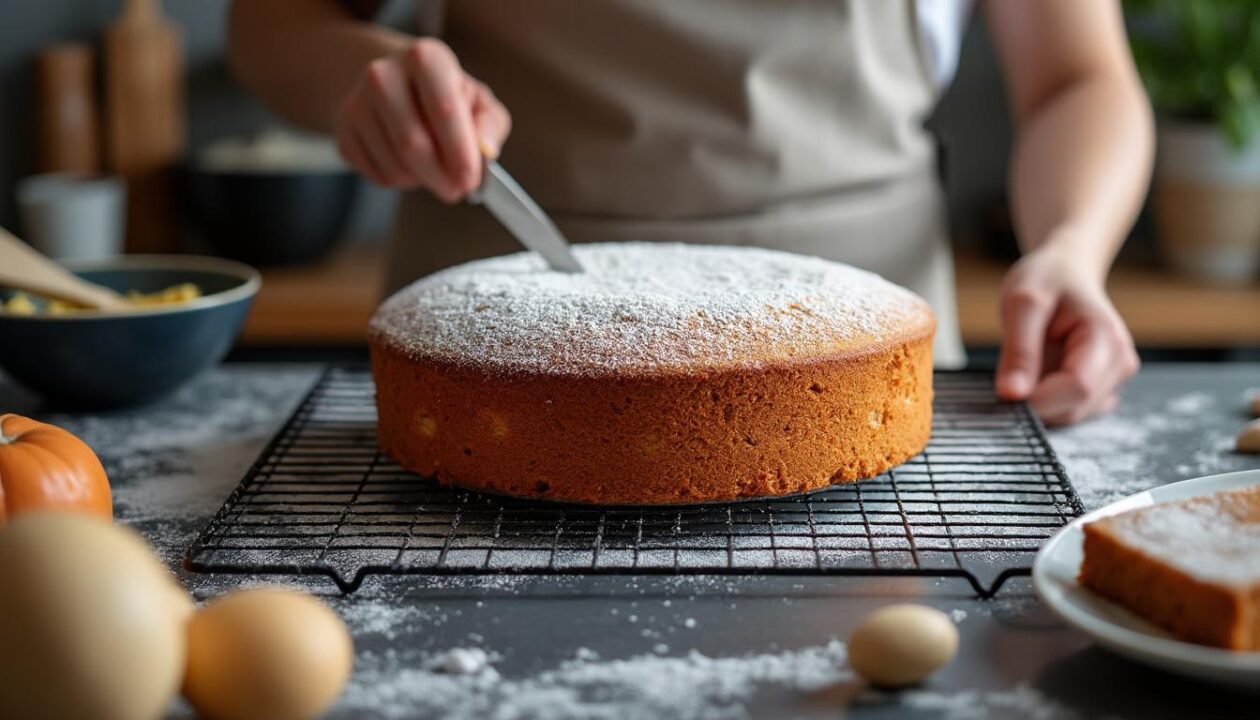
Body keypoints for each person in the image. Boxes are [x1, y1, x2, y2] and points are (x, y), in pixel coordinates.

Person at [228, 0, 1152, 426]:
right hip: (499, 324)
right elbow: (274, 22)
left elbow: (1077, 77)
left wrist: (1072, 245)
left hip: (856, 350)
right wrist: (365, 78)